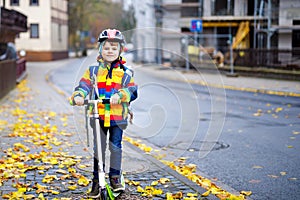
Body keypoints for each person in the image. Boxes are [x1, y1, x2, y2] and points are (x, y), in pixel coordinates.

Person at [69, 28, 138, 197]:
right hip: (98, 116)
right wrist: (79, 96)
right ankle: (96, 180)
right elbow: (84, 85)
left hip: (117, 117)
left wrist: (121, 95)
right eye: (106, 48)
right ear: (100, 50)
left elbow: (132, 90)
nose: (110, 51)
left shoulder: (125, 73)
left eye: (114, 48)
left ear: (120, 51)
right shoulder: (93, 71)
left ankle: (115, 177)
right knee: (98, 150)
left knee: (115, 147)